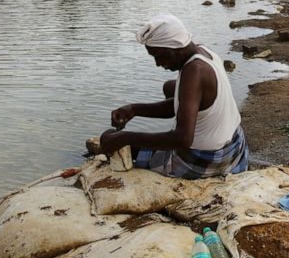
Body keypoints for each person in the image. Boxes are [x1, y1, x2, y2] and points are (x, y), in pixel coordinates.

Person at [99, 14, 248, 178]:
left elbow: (182, 140)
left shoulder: (194, 72)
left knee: (108, 137)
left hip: (207, 159)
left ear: (175, 48)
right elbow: (182, 104)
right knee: (170, 86)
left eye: (159, 56)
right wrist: (134, 109)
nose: (157, 63)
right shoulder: (203, 52)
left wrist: (125, 138)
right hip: (235, 145)